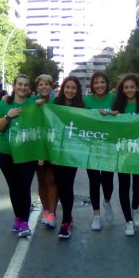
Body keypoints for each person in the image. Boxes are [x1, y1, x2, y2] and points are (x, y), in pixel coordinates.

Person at [0, 74, 36, 237]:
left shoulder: (34, 104)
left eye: (26, 85)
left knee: (24, 186)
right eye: (20, 84)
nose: (23, 87)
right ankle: (18, 217)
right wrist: (7, 116)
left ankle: (25, 223)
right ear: (14, 86)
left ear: (28, 87)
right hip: (6, 153)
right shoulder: (4, 104)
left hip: (27, 153)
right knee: (14, 187)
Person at [112, 73, 139, 236]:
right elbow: (111, 127)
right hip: (122, 152)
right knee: (123, 187)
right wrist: (110, 116)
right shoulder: (117, 105)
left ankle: (135, 208)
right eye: (126, 87)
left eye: (132, 87)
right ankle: (128, 221)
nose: (129, 90)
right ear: (122, 89)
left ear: (137, 88)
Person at [51, 76, 85, 239]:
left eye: (73, 88)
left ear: (77, 91)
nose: (70, 90)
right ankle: (66, 216)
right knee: (59, 185)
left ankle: (66, 221)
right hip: (56, 152)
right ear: (62, 89)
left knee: (67, 185)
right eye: (67, 87)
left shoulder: (83, 107)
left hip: (72, 154)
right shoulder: (54, 106)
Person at [83, 71, 116, 231]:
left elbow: (124, 114)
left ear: (107, 84)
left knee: (108, 181)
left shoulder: (114, 99)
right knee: (94, 182)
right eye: (96, 82)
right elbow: (77, 116)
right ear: (92, 85)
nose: (99, 85)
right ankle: (96, 216)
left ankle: (107, 202)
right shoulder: (86, 100)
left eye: (102, 82)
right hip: (91, 147)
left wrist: (111, 113)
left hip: (110, 146)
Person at [33, 74, 59, 228]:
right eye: (40, 85)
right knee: (42, 180)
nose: (43, 87)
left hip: (54, 147)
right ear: (37, 88)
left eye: (46, 84)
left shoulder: (57, 102)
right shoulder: (32, 103)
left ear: (51, 87)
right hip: (37, 147)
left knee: (52, 180)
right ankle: (46, 210)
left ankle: (53, 212)